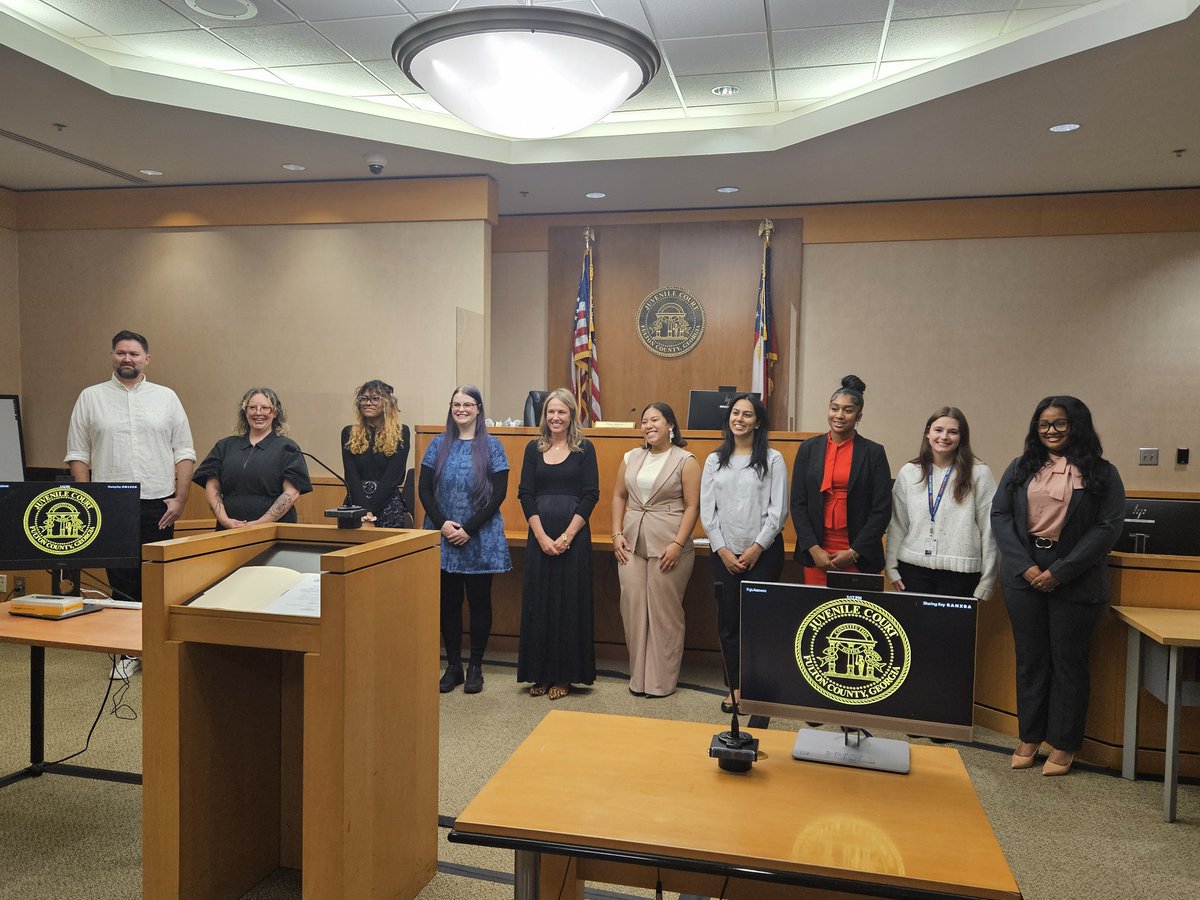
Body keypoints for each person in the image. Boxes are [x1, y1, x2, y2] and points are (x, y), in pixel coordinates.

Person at [991, 396, 1124, 776]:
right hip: (1024, 572)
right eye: (1044, 424)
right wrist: (1025, 567)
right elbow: (1000, 515)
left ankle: (1064, 744)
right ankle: (1029, 736)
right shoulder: (1021, 467)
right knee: (1031, 660)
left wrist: (1061, 571)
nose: (1050, 431)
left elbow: (1107, 528)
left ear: (1076, 426)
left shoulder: (1102, 473)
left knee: (1069, 663)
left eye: (1060, 423)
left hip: (1076, 577)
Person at [65, 330, 195, 678]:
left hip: (158, 503)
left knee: (156, 578)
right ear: (112, 356)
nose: (128, 359)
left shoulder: (166, 398)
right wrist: (87, 499)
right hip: (110, 503)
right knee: (121, 578)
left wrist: (180, 498)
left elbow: (183, 451)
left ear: (146, 359)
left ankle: (155, 647)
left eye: (135, 354)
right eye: (121, 353)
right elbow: (78, 454)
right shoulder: (91, 398)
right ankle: (127, 651)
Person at [699, 393, 787, 713]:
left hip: (763, 554)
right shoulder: (714, 460)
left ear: (758, 421)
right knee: (729, 623)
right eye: (735, 413)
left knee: (758, 622)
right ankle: (735, 686)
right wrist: (721, 549)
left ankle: (759, 685)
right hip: (724, 554)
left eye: (747, 415)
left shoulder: (773, 459)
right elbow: (708, 513)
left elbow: (778, 513)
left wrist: (755, 549)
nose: (740, 419)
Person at [420, 385, 511, 695]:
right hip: (443, 536)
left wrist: (468, 528)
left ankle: (475, 666)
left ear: (478, 409)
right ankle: (454, 666)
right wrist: (444, 524)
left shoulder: (493, 446)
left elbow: (499, 493)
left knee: (479, 602)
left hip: (479, 537)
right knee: (449, 603)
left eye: (468, 404)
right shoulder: (437, 444)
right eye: (456, 404)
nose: (461, 409)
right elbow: (424, 490)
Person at [612, 402, 700, 698]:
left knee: (664, 612)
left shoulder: (685, 460)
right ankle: (639, 679)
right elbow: (618, 495)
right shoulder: (631, 456)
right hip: (631, 543)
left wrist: (678, 544)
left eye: (656, 420)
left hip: (669, 544)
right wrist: (615, 534)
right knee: (633, 608)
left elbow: (692, 506)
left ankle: (661, 682)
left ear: (671, 425)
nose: (648, 425)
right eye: (645, 421)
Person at [516, 388, 599, 700]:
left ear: (571, 415)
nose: (555, 417)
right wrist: (541, 536)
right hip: (540, 536)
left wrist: (565, 537)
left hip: (573, 539)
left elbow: (591, 494)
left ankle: (565, 676)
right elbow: (525, 493)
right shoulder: (532, 449)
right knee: (541, 604)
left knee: (568, 605)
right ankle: (540, 673)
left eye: (561, 412)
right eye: (551, 412)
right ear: (544, 415)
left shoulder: (584, 449)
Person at [885, 407, 998, 601]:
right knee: (914, 631)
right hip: (913, 571)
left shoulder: (979, 473)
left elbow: (990, 529)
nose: (944, 436)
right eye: (938, 430)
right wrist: (891, 567)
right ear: (927, 433)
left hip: (961, 576)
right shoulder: (909, 472)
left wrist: (988, 580)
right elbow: (897, 524)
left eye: (952, 432)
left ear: (962, 437)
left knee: (953, 632)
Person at [790, 375, 891, 584]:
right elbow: (798, 504)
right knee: (818, 613)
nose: (839, 415)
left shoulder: (873, 452)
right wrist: (813, 549)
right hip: (818, 552)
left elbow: (881, 509)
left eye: (848, 410)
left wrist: (854, 552)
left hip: (858, 553)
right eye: (834, 408)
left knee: (856, 615)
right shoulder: (808, 449)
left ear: (859, 416)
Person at [194, 388, 312, 529]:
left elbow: (291, 493)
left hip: (273, 531)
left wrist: (259, 524)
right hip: (229, 529)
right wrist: (225, 520)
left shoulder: (287, 447)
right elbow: (212, 486)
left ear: (275, 412)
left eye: (265, 408)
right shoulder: (225, 446)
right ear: (245, 412)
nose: (258, 413)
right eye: (252, 408)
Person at [341, 380, 411, 527]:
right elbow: (351, 475)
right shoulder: (349, 433)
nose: (368, 403)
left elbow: (393, 477)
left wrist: (370, 511)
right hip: (356, 503)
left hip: (387, 504)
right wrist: (364, 511)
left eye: (374, 398)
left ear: (387, 403)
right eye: (364, 398)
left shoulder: (401, 432)